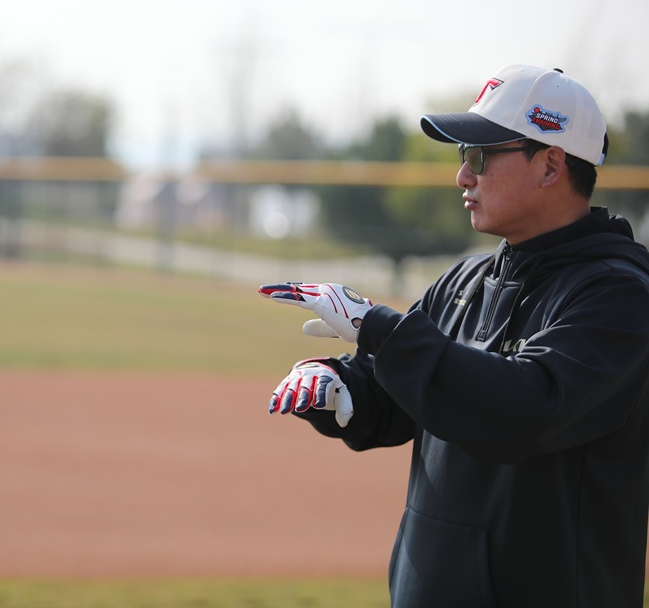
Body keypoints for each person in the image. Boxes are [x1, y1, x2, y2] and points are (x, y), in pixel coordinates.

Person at [259, 64, 649, 607]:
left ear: (551, 165)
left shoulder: (620, 295)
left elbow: (523, 408)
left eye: (480, 155)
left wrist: (377, 326)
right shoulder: (467, 278)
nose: (463, 176)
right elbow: (413, 391)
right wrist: (341, 388)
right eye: (461, 156)